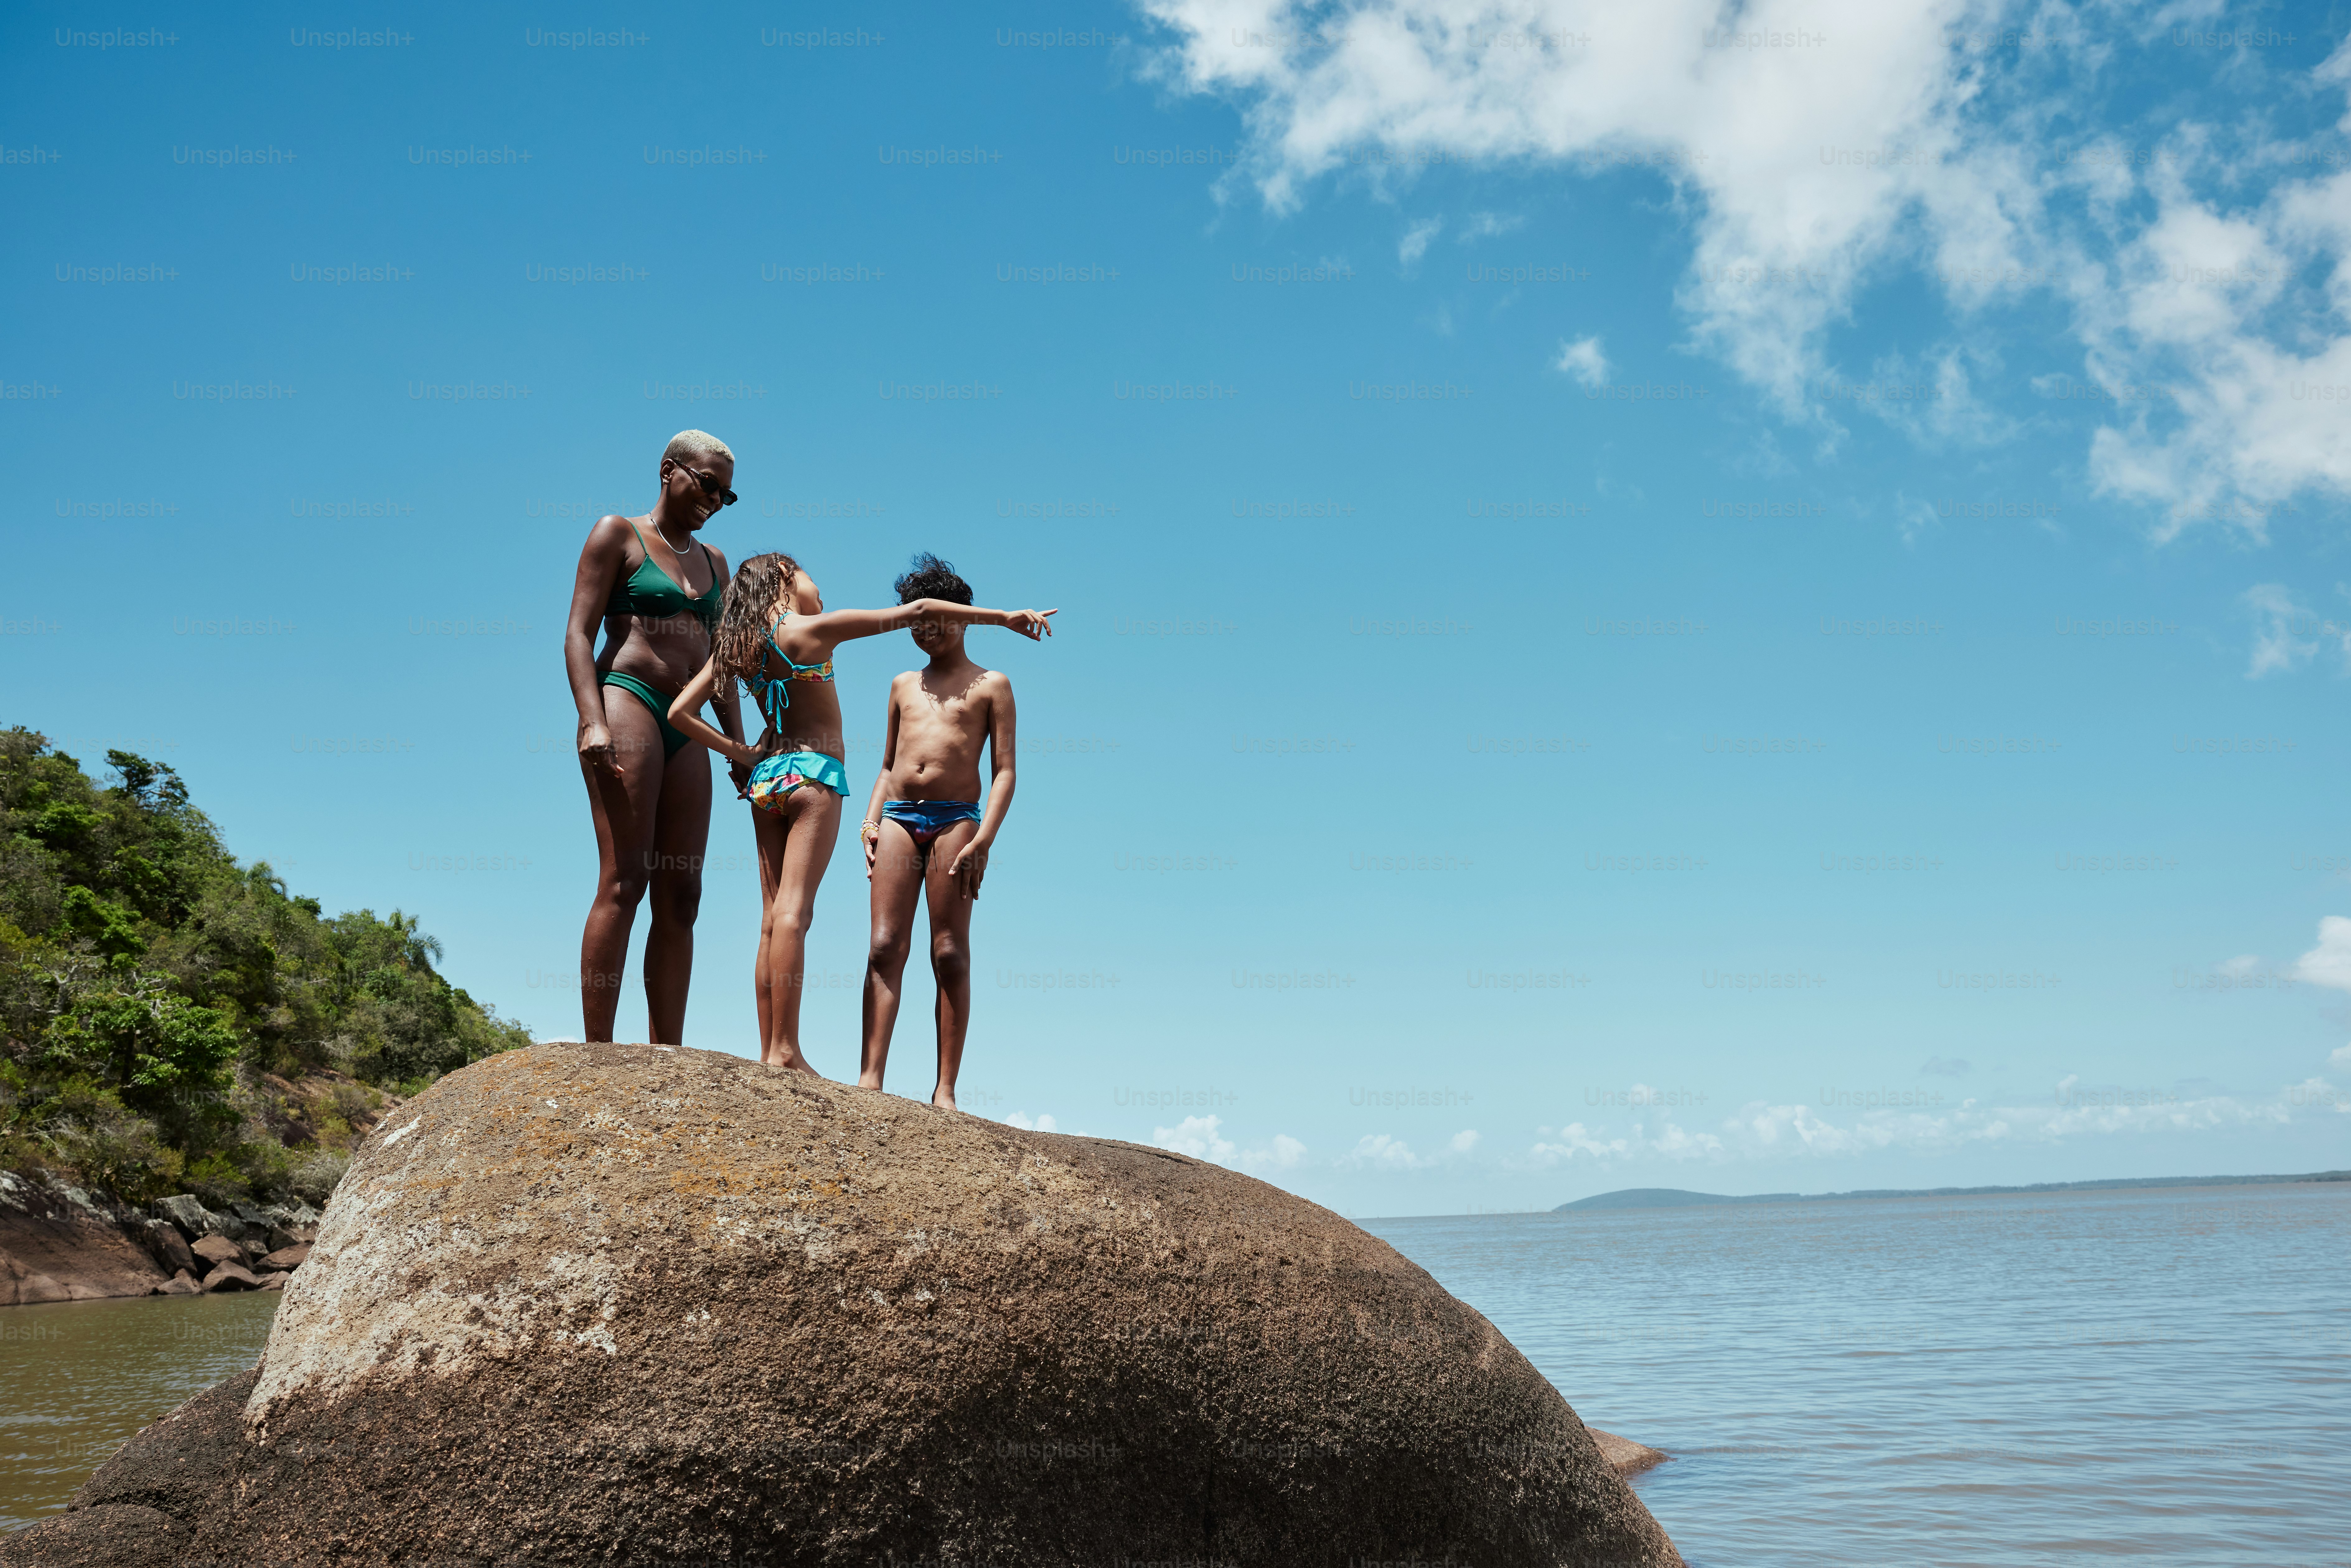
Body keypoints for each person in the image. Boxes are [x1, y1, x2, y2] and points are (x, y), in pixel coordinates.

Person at [665, 553, 1054, 1075]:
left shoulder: (740, 643)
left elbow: (679, 713)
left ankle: (770, 1049)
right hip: (813, 776)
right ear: (785, 579)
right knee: (795, 913)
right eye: (807, 576)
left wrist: (744, 754)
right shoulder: (816, 631)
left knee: (770, 919)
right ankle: (786, 1050)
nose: (817, 586)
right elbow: (916, 610)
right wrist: (1004, 617)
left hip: (767, 781)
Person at [564, 430, 750, 1044]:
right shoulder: (617, 533)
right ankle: (598, 1055)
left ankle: (665, 1054)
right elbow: (577, 635)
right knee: (626, 879)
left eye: (726, 494)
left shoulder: (716, 562)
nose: (715, 500)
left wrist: (739, 748)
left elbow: (720, 663)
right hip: (629, 703)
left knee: (683, 893)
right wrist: (591, 719)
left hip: (687, 723)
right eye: (707, 485)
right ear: (670, 470)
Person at [852, 555, 1026, 1111]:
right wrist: (871, 818)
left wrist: (986, 837)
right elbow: (886, 765)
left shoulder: (992, 684)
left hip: (958, 819)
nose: (925, 631)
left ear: (964, 617)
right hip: (901, 815)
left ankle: (945, 1089)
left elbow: (1006, 771)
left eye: (936, 621)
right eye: (917, 624)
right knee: (884, 946)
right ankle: (870, 1078)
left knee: (949, 951)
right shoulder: (903, 684)